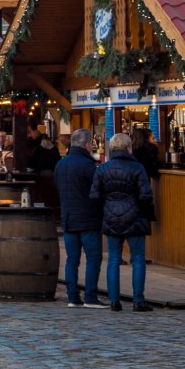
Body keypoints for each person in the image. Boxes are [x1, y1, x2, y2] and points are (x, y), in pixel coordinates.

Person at [90, 132, 155, 312]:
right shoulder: (138, 168)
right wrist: (147, 213)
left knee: (113, 260)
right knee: (138, 259)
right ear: (129, 147)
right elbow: (146, 195)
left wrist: (106, 208)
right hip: (135, 217)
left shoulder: (102, 169)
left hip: (111, 217)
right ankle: (138, 300)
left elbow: (94, 196)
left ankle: (114, 301)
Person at [54, 128, 107, 308]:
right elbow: (98, 191)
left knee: (72, 259)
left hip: (68, 218)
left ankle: (72, 297)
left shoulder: (61, 164)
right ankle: (90, 296)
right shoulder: (88, 165)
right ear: (86, 144)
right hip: (88, 219)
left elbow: (58, 188)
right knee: (93, 258)